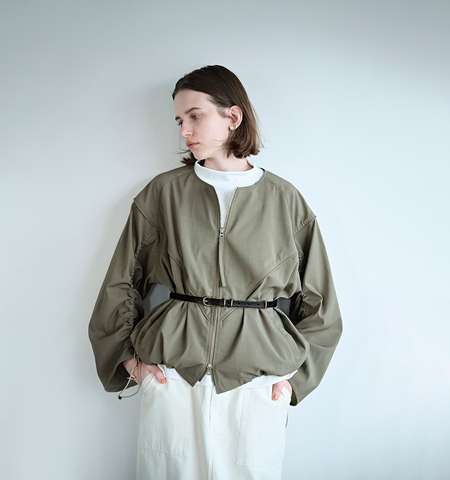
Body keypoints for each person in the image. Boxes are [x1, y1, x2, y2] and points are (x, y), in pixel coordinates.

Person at [88, 65, 342, 480]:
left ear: (233, 117)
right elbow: (120, 282)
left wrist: (294, 383)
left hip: (257, 384)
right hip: (173, 377)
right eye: (179, 120)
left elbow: (321, 304)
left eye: (195, 115)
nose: (184, 131)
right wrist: (130, 364)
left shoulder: (285, 201)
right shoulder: (163, 193)